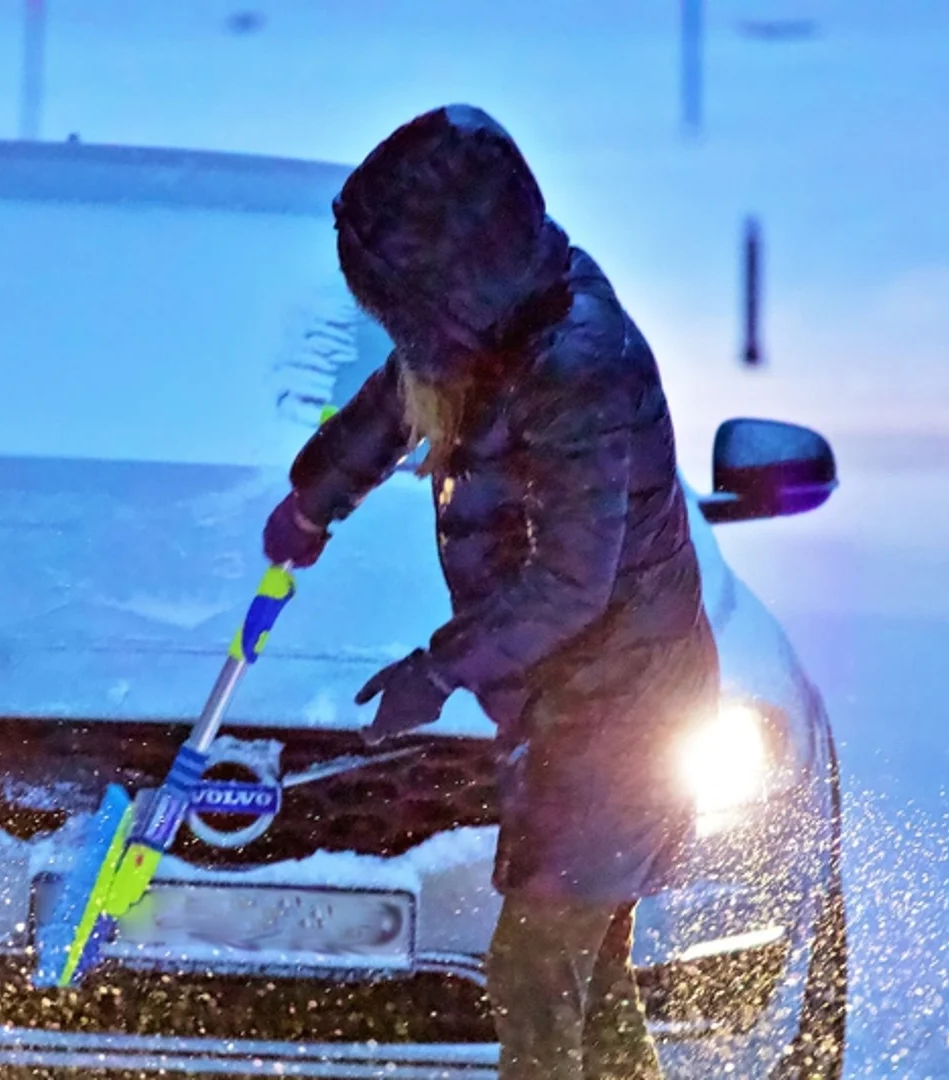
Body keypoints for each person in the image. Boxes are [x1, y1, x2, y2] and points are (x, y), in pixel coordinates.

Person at [261, 104, 719, 1080]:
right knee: (585, 979)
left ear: (454, 279)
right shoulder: (495, 324)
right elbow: (403, 395)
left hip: (625, 708)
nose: (402, 329)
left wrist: (438, 669)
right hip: (577, 707)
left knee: (534, 970)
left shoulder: (579, 368)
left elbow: (569, 584)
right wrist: (315, 499)